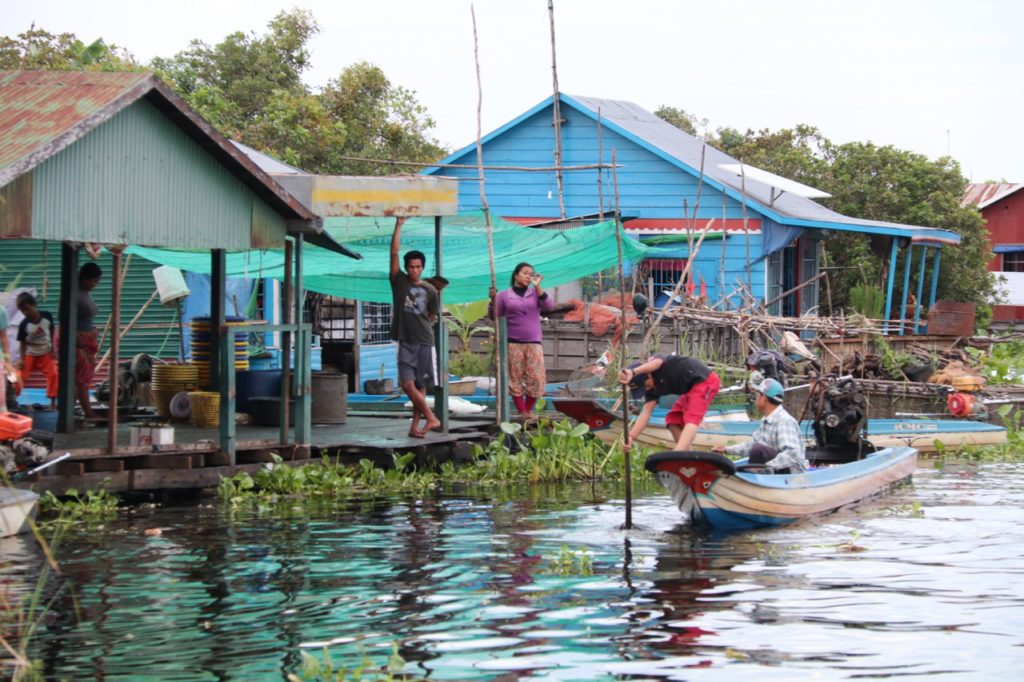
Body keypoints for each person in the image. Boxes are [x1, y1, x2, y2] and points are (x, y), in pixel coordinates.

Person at [389, 217, 441, 438]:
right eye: (411, 267)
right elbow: (393, 253)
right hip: (405, 340)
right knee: (407, 384)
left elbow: (432, 314)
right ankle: (431, 417)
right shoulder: (398, 281)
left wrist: (429, 320)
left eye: (418, 267)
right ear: (406, 267)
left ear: (422, 268)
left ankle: (415, 427)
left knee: (420, 386)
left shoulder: (430, 290)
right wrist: (399, 225)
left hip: (424, 341)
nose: (414, 270)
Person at [489, 262, 554, 421]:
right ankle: (523, 412)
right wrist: (492, 301)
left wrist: (538, 287)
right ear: (516, 274)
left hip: (533, 342)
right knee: (514, 378)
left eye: (531, 274)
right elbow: (494, 316)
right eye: (525, 273)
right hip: (512, 342)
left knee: (537, 378)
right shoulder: (504, 295)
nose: (528, 276)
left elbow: (549, 306)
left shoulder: (534, 293)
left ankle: (527, 409)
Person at [618, 353, 721, 452]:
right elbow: (645, 414)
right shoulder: (652, 390)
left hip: (705, 381)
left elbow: (656, 363)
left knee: (691, 418)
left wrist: (634, 371)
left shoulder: (655, 364)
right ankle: (688, 455)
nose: (647, 389)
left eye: (646, 385)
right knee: (673, 420)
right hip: (690, 390)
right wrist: (631, 437)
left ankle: (678, 453)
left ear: (648, 375)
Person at [716, 378, 808, 473]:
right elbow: (751, 444)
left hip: (792, 473)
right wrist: (726, 449)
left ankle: (756, 478)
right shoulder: (766, 420)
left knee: (758, 450)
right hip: (776, 469)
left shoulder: (784, 420)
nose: (755, 397)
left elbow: (792, 453)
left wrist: (767, 467)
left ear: (763, 398)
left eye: (757, 394)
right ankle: (756, 476)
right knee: (756, 448)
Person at [14, 292, 58, 409]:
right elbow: (22, 343)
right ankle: (12, 401)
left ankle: (53, 403)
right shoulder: (24, 324)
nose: (26, 313)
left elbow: (52, 331)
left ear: (34, 305)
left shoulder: (47, 316)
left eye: (27, 309)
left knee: (53, 375)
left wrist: (53, 349)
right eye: (23, 311)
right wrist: (22, 360)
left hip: (46, 353)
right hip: (31, 354)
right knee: (19, 376)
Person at [76, 262, 103, 420]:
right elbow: (65, 318)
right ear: (85, 279)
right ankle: (88, 413)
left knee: (81, 379)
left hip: (86, 338)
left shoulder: (84, 292)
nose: (95, 285)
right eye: (94, 281)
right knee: (81, 379)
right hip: (78, 341)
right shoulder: (74, 293)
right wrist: (77, 337)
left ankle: (78, 409)